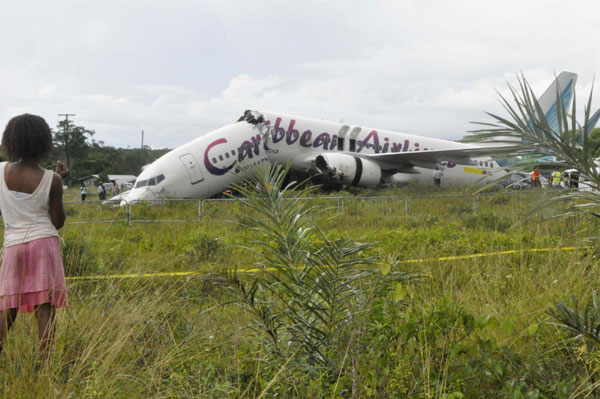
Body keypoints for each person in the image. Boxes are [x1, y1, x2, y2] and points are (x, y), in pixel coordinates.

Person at [0, 114, 69, 359]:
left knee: (8, 306)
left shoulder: (0, 172)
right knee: (45, 308)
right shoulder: (53, 179)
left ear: (10, 140)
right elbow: (57, 222)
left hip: (13, 245)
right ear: (44, 143)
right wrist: (59, 184)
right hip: (44, 243)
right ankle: (44, 366)